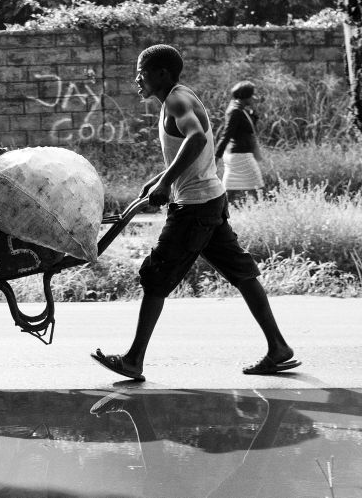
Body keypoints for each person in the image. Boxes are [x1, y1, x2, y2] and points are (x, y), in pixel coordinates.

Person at [91, 44, 298, 381]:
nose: (136, 79)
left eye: (141, 73)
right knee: (241, 272)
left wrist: (166, 185)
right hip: (210, 200)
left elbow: (197, 139)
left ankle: (133, 359)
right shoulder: (177, 97)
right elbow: (191, 155)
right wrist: (157, 181)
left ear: (162, 74)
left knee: (157, 276)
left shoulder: (175, 100)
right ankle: (279, 348)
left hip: (194, 207)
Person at [215, 80, 265, 203]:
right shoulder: (235, 111)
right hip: (240, 155)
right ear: (246, 95)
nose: (254, 97)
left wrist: (253, 110)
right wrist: (216, 157)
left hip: (239, 154)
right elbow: (226, 135)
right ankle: (262, 208)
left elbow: (250, 125)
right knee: (257, 186)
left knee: (230, 189)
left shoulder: (240, 109)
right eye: (252, 95)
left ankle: (219, 210)